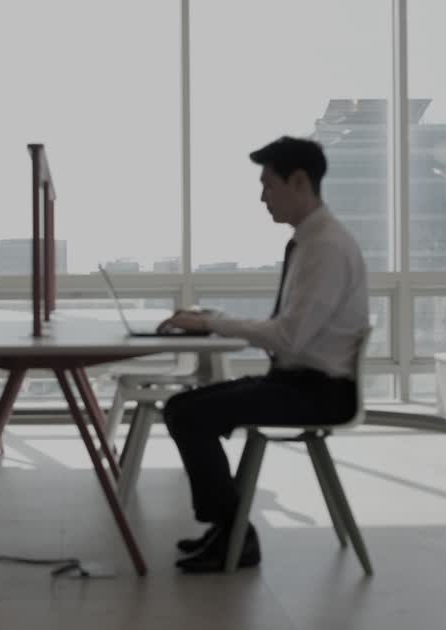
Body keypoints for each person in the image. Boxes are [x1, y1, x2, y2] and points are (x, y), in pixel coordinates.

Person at [158, 136, 369, 573]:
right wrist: (214, 320)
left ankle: (234, 534)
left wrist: (214, 323)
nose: (262, 197)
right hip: (301, 382)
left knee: (187, 414)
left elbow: (288, 337)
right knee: (182, 408)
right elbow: (292, 329)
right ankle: (230, 530)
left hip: (320, 392)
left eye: (268, 185)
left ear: (299, 182)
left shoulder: (326, 247)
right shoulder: (312, 242)